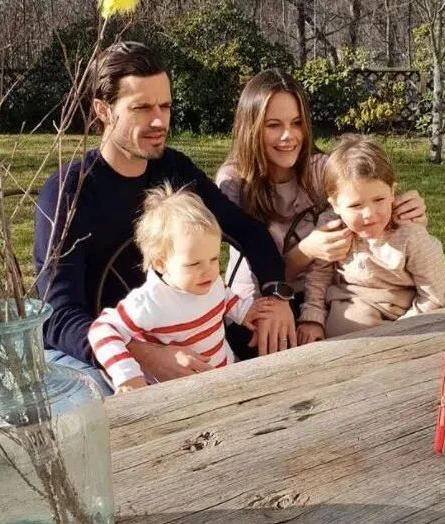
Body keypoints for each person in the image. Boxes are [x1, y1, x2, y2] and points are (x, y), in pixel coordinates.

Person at [34, 42, 296, 396]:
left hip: (191, 332)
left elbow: (247, 230)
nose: (159, 121)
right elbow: (58, 315)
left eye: (165, 106)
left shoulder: (174, 169)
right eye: (142, 108)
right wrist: (142, 355)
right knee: (90, 400)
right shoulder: (70, 192)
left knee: (283, 353)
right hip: (105, 354)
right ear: (103, 110)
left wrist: (276, 295)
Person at [215, 68, 427, 351]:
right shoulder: (234, 182)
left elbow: (369, 201)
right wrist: (307, 251)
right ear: (250, 127)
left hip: (322, 294)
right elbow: (253, 271)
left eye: (297, 123)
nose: (288, 136)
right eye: (273, 125)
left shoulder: (320, 169)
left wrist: (404, 208)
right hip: (258, 299)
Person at [88, 185, 275, 393]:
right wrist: (128, 375)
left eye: (214, 258)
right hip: (178, 393)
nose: (209, 271)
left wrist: (244, 311)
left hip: (224, 374)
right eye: (194, 264)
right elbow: (102, 330)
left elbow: (222, 295)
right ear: (161, 263)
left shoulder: (208, 281)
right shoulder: (152, 301)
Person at [299, 135, 445, 338]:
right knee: (345, 326)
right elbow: (319, 275)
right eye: (355, 205)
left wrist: (401, 331)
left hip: (405, 309)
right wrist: (312, 317)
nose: (369, 214)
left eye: (379, 199)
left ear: (392, 192)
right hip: (351, 301)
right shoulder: (333, 228)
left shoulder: (410, 234)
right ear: (335, 205)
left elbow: (435, 296)